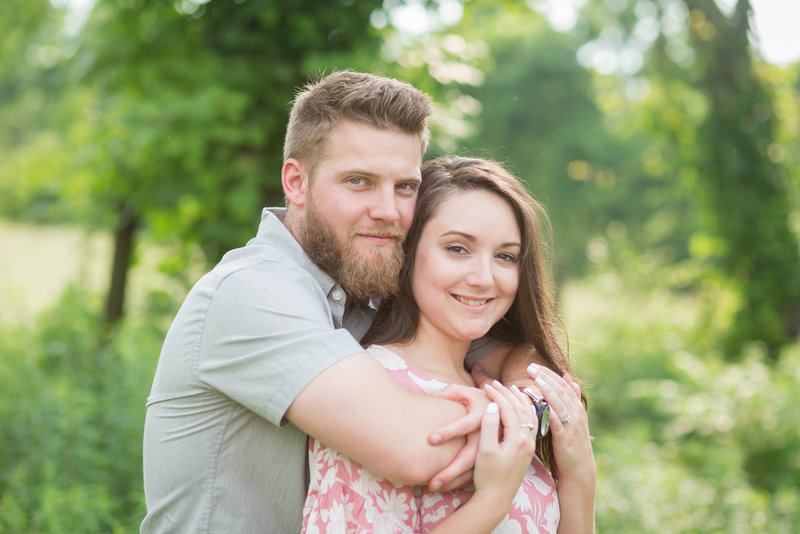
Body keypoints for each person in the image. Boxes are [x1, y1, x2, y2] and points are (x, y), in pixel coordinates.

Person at [141, 71, 537, 533]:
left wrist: (530, 396)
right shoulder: (250, 293)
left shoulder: (367, 296)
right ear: (296, 182)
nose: (388, 211)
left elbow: (515, 349)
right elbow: (414, 447)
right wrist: (528, 417)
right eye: (358, 181)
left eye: (405, 187)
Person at [302, 156, 596, 533]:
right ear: (407, 254)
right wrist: (491, 502)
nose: (484, 278)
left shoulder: (504, 393)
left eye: (505, 256)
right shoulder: (373, 391)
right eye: (457, 249)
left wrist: (579, 476)